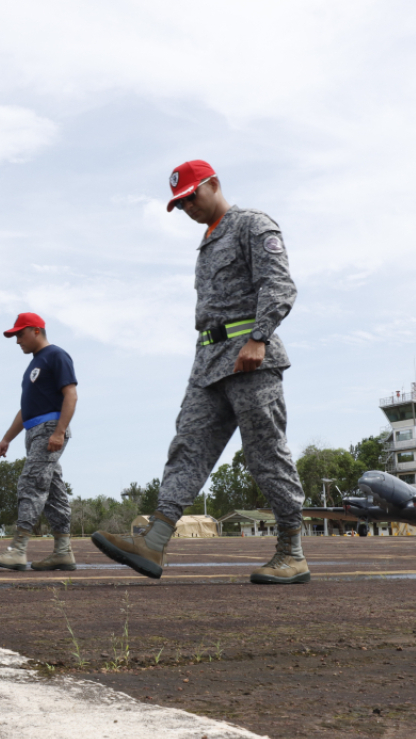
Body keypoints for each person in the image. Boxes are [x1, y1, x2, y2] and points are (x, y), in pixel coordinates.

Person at [92, 159, 309, 584]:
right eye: (181, 203)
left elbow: (279, 285)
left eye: (192, 196)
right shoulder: (207, 243)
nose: (188, 206)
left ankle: (292, 552)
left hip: (250, 358)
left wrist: (259, 338)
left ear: (213, 184)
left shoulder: (252, 225)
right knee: (187, 447)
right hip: (209, 360)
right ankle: (154, 541)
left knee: (265, 453)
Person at [0, 313, 78, 571]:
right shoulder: (33, 365)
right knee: (53, 493)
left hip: (50, 429)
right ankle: (63, 552)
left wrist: (59, 431)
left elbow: (71, 394)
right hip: (35, 430)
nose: (17, 340)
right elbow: (25, 410)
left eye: (20, 334)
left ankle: (18, 550)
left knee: (30, 483)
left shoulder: (56, 355)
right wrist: (7, 438)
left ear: (36, 330)